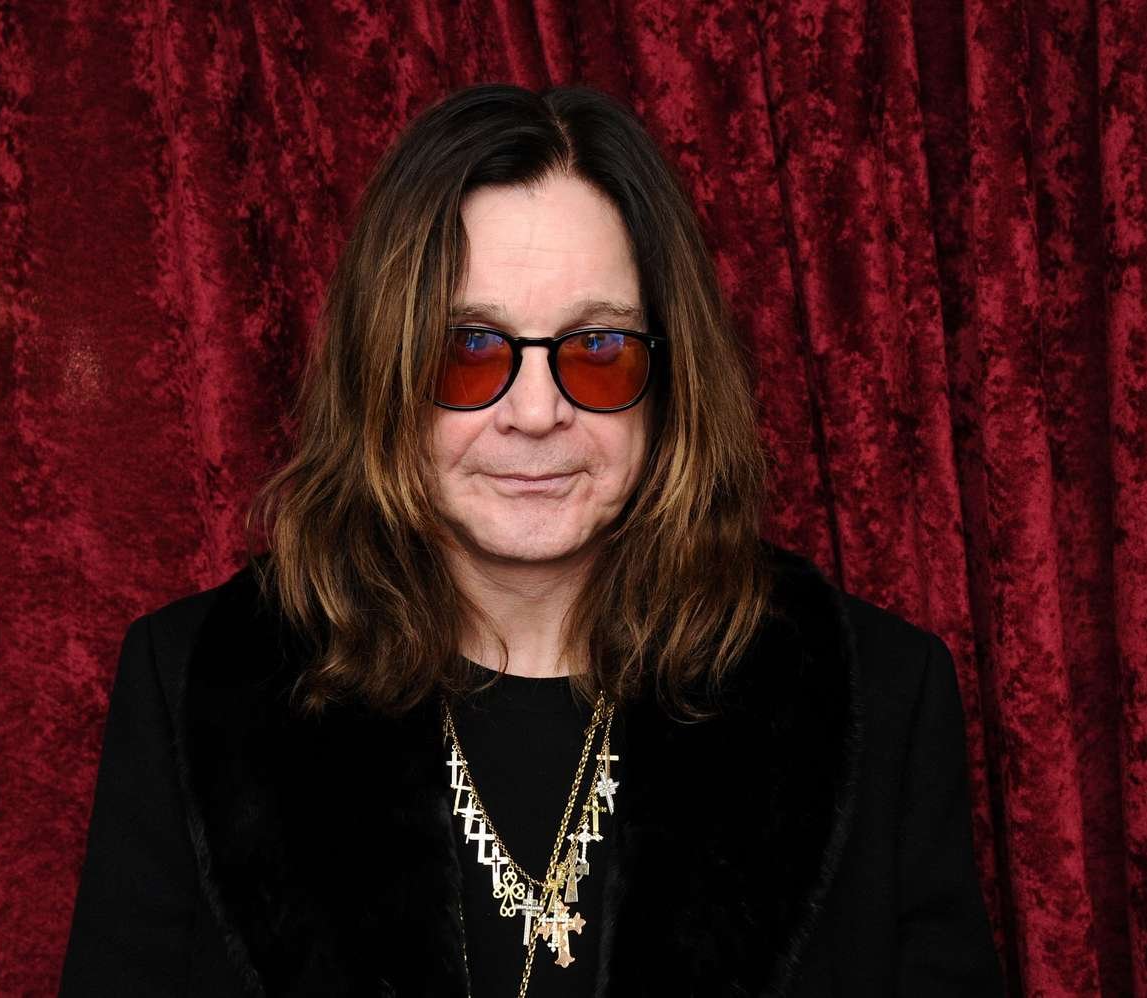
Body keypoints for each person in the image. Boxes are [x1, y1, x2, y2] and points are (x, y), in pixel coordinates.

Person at [59, 83, 1004, 997]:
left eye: (598, 349)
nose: (538, 412)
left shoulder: (879, 695)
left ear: (673, 381)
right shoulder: (196, 683)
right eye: (470, 348)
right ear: (381, 370)